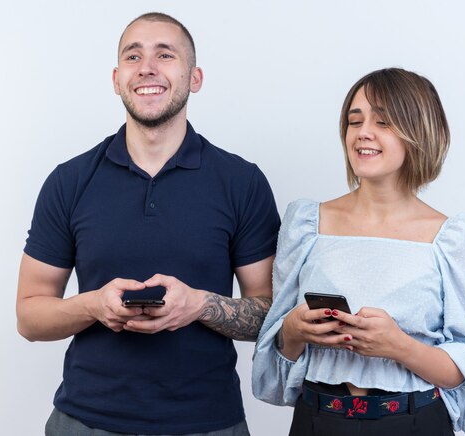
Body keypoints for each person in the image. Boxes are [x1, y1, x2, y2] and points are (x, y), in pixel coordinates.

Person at [16, 12, 280, 436]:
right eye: (133, 56)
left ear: (195, 77)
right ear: (117, 78)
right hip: (84, 422)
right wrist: (93, 305)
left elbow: (271, 315)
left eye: (165, 54)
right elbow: (29, 316)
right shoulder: (70, 180)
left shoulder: (241, 182)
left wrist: (195, 305)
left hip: (208, 423)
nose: (147, 67)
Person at [252, 68, 465, 435]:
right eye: (355, 121)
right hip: (317, 421)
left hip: (416, 423)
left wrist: (399, 346)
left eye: (383, 121)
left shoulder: (450, 238)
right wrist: (292, 329)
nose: (363, 132)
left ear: (417, 132)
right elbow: (278, 359)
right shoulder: (306, 224)